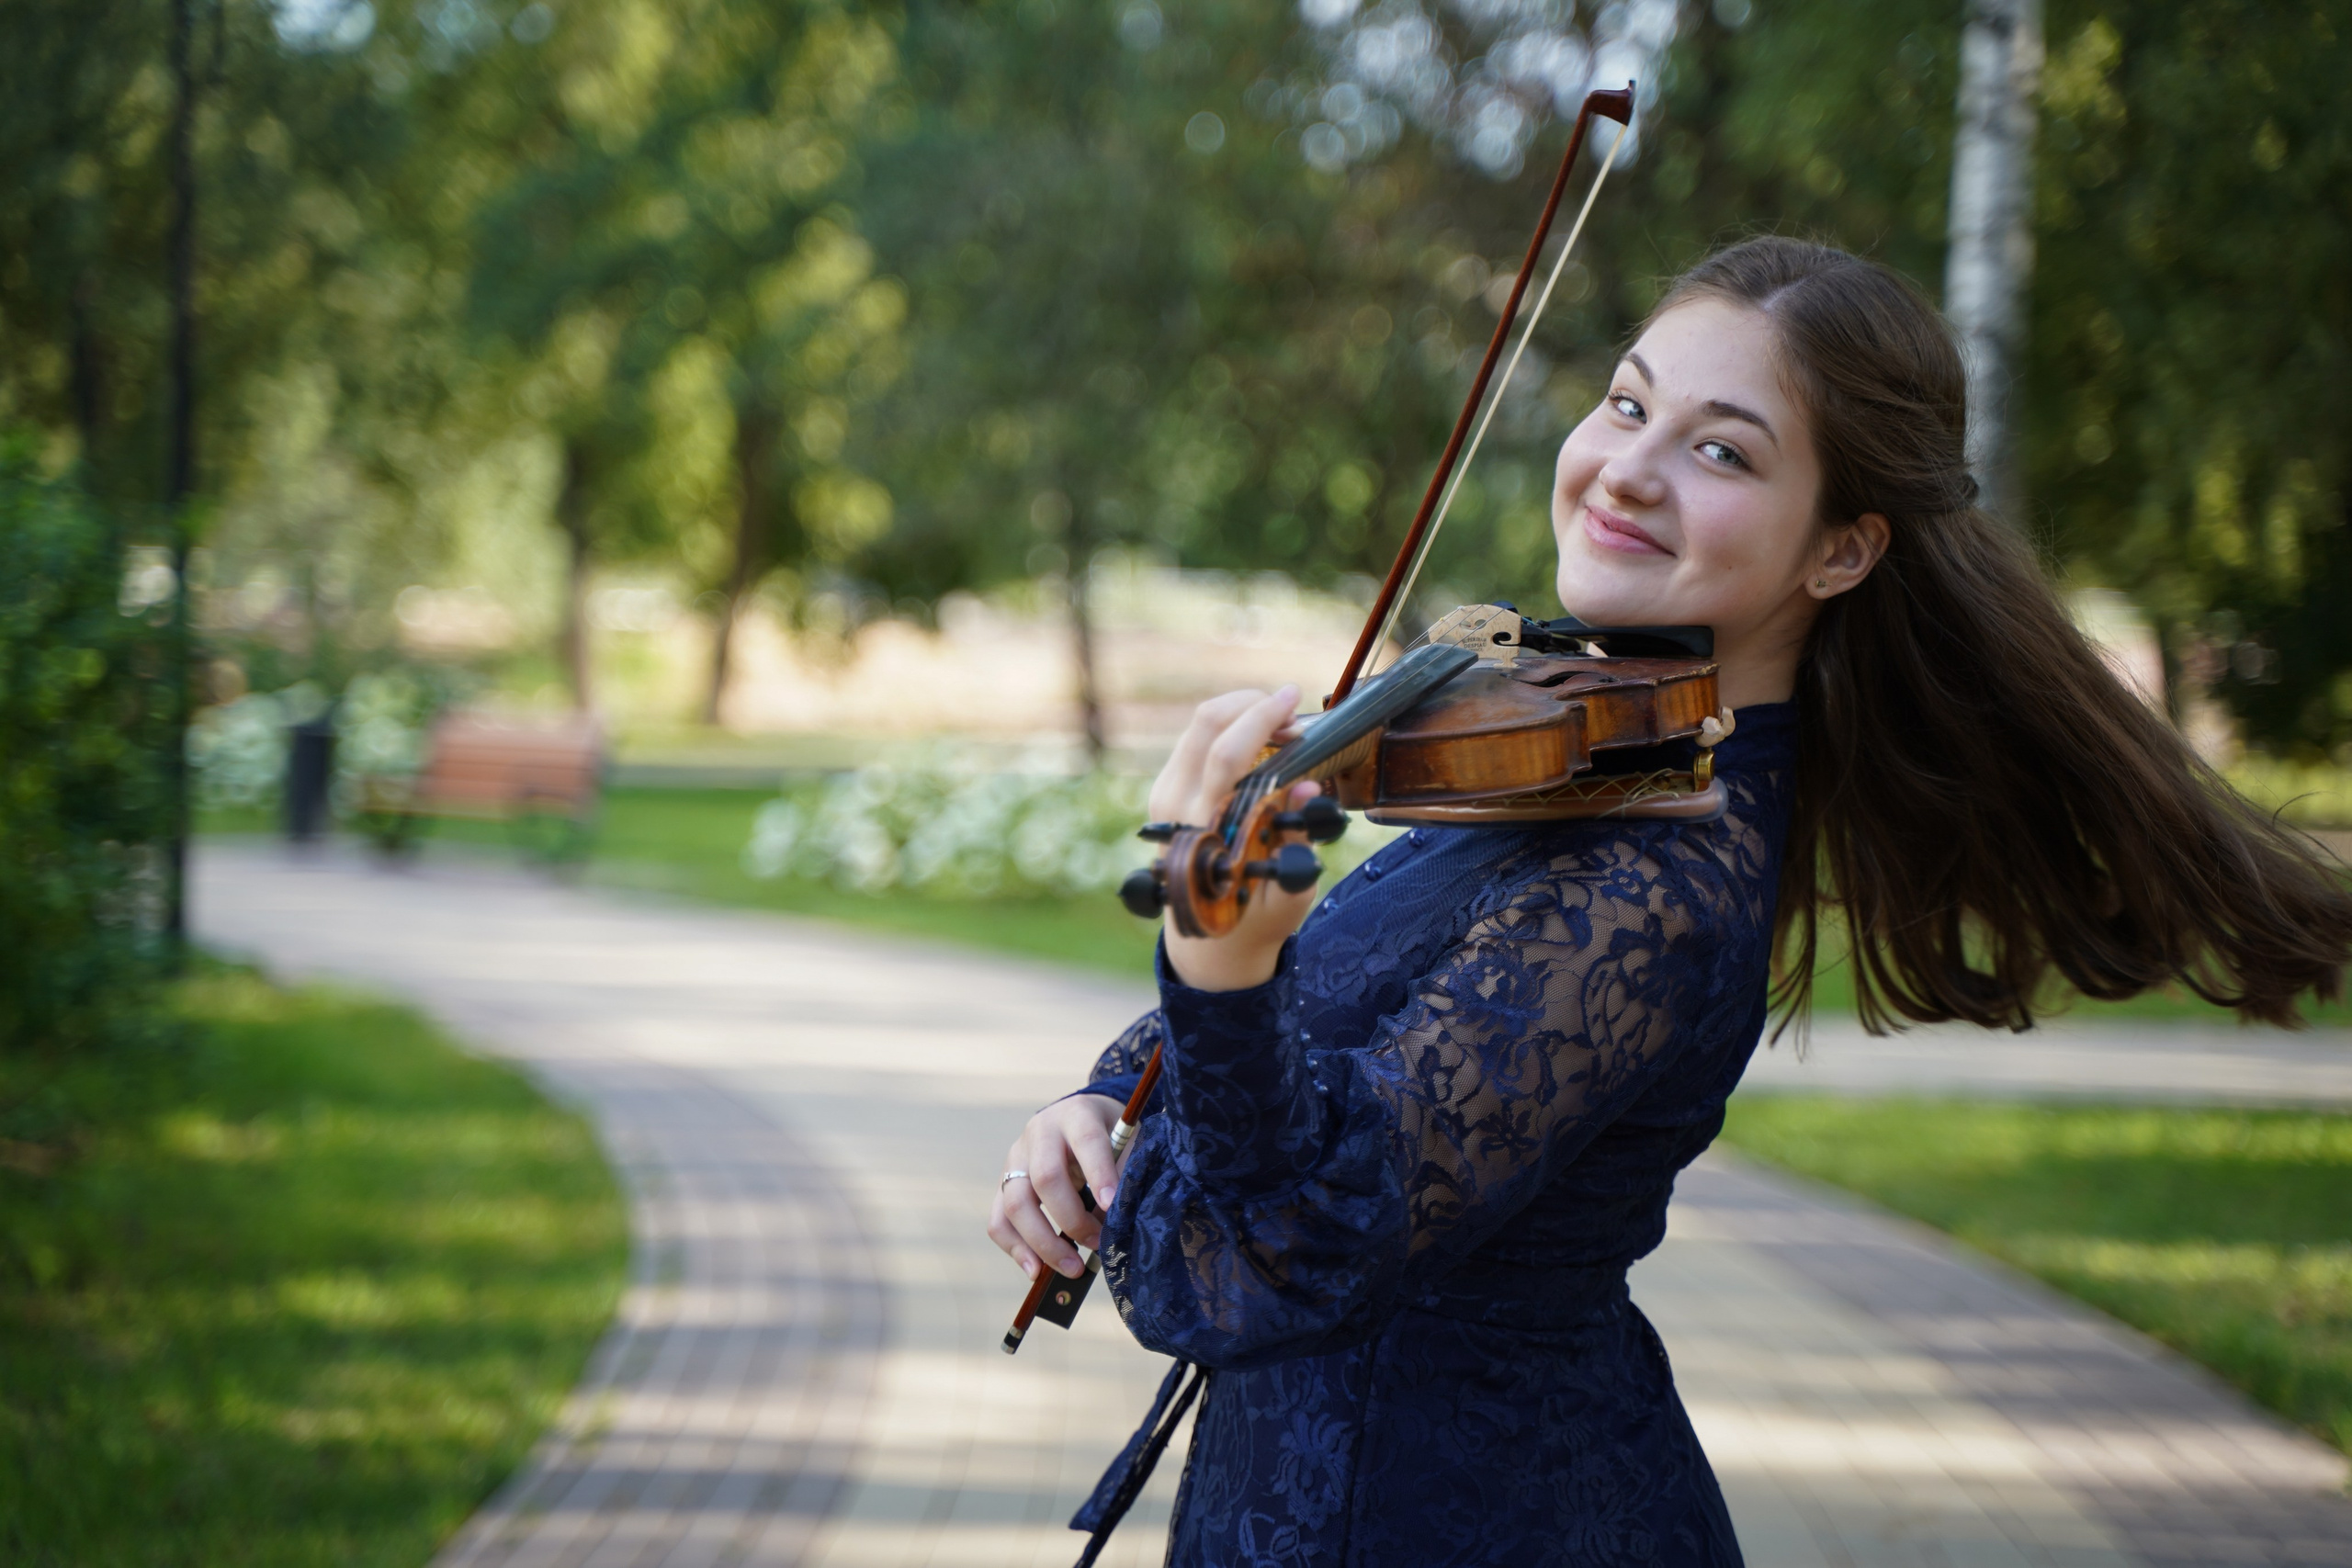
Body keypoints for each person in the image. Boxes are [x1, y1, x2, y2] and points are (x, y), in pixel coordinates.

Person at [987, 236, 2352, 1567]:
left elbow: (1274, 1253)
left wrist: (1216, 973)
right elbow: (1347, 1000)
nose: (1625, 471)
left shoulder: (1660, 879)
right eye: (1629, 403)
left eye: (1721, 450)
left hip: (1448, 1513)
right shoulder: (1597, 769)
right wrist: (1106, 1100)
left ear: (1840, 553)